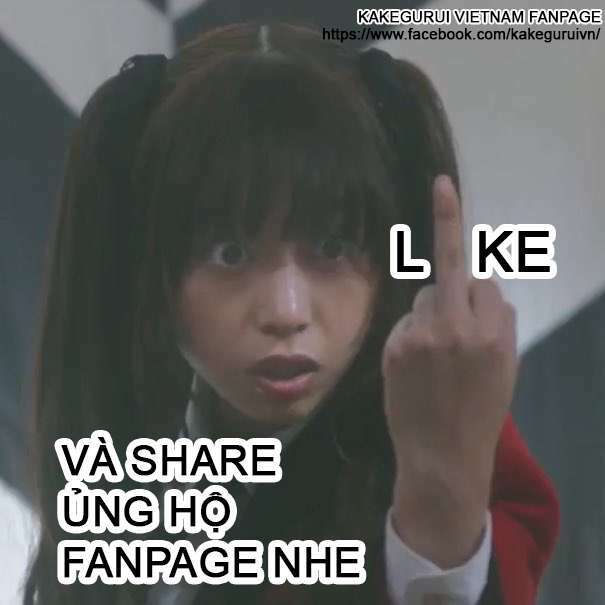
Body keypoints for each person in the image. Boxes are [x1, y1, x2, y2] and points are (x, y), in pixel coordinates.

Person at [25, 20, 559, 605]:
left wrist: (440, 511)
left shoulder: (451, 449)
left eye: (332, 247)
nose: (286, 312)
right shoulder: (129, 452)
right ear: (146, 263)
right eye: (229, 253)